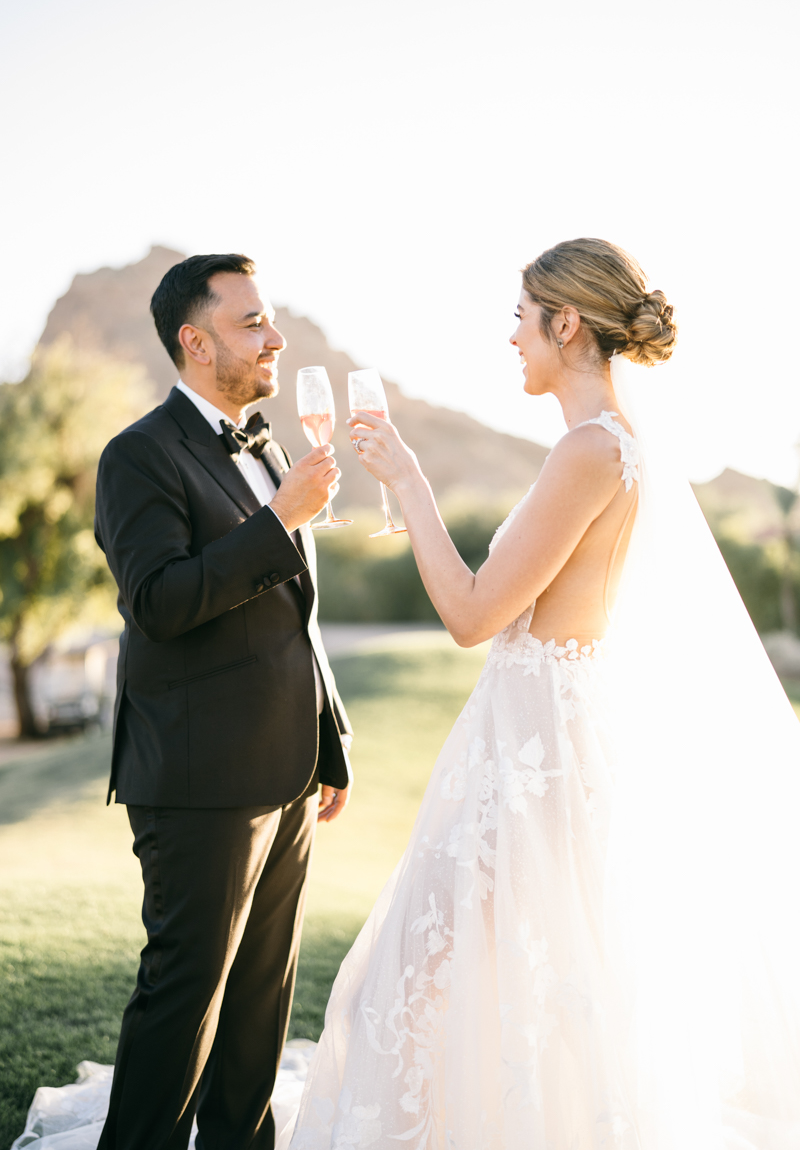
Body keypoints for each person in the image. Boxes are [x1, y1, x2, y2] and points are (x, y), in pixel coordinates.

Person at [289, 239, 800, 1149]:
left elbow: (474, 613)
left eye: (521, 319)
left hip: (531, 761)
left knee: (409, 983)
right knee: (519, 986)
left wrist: (407, 479)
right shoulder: (606, 445)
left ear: (566, 323)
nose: (512, 338)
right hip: (539, 746)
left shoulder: (591, 451)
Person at [94, 253, 353, 1150]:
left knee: (258, 1010)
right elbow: (160, 604)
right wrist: (280, 519)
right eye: (252, 323)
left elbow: (294, 615)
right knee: (185, 1007)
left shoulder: (270, 443)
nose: (274, 336)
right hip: (200, 781)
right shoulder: (137, 456)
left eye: (270, 319)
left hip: (287, 774)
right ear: (195, 343)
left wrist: (331, 737)